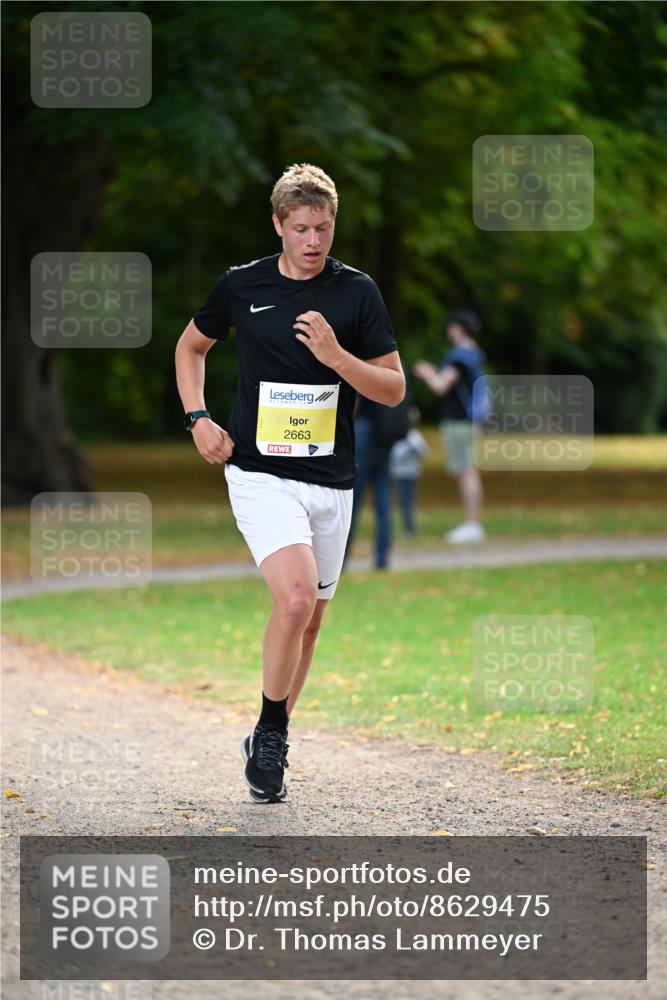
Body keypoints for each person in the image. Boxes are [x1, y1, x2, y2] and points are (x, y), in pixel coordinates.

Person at [175, 163, 405, 803]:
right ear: (277, 224)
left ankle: (268, 730)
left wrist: (336, 357)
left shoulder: (356, 293)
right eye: (300, 228)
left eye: (323, 228)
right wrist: (198, 418)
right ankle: (274, 735)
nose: (312, 240)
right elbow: (189, 348)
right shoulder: (241, 286)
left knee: (311, 622)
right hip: (259, 473)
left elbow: (392, 389)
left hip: (332, 480)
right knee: (296, 598)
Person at [413, 309, 486, 543]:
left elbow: (440, 386)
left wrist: (426, 373)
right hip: (469, 421)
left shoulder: (459, 357)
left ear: (457, 329)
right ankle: (473, 523)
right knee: (468, 470)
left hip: (459, 421)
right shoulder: (475, 353)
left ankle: (472, 524)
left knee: (466, 471)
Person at [390, 407, 429, 536]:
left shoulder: (414, 436)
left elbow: (424, 452)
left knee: (407, 502)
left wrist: (413, 450)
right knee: (396, 502)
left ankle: (410, 529)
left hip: (409, 475)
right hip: (397, 473)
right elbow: (395, 455)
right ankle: (399, 528)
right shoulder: (397, 435)